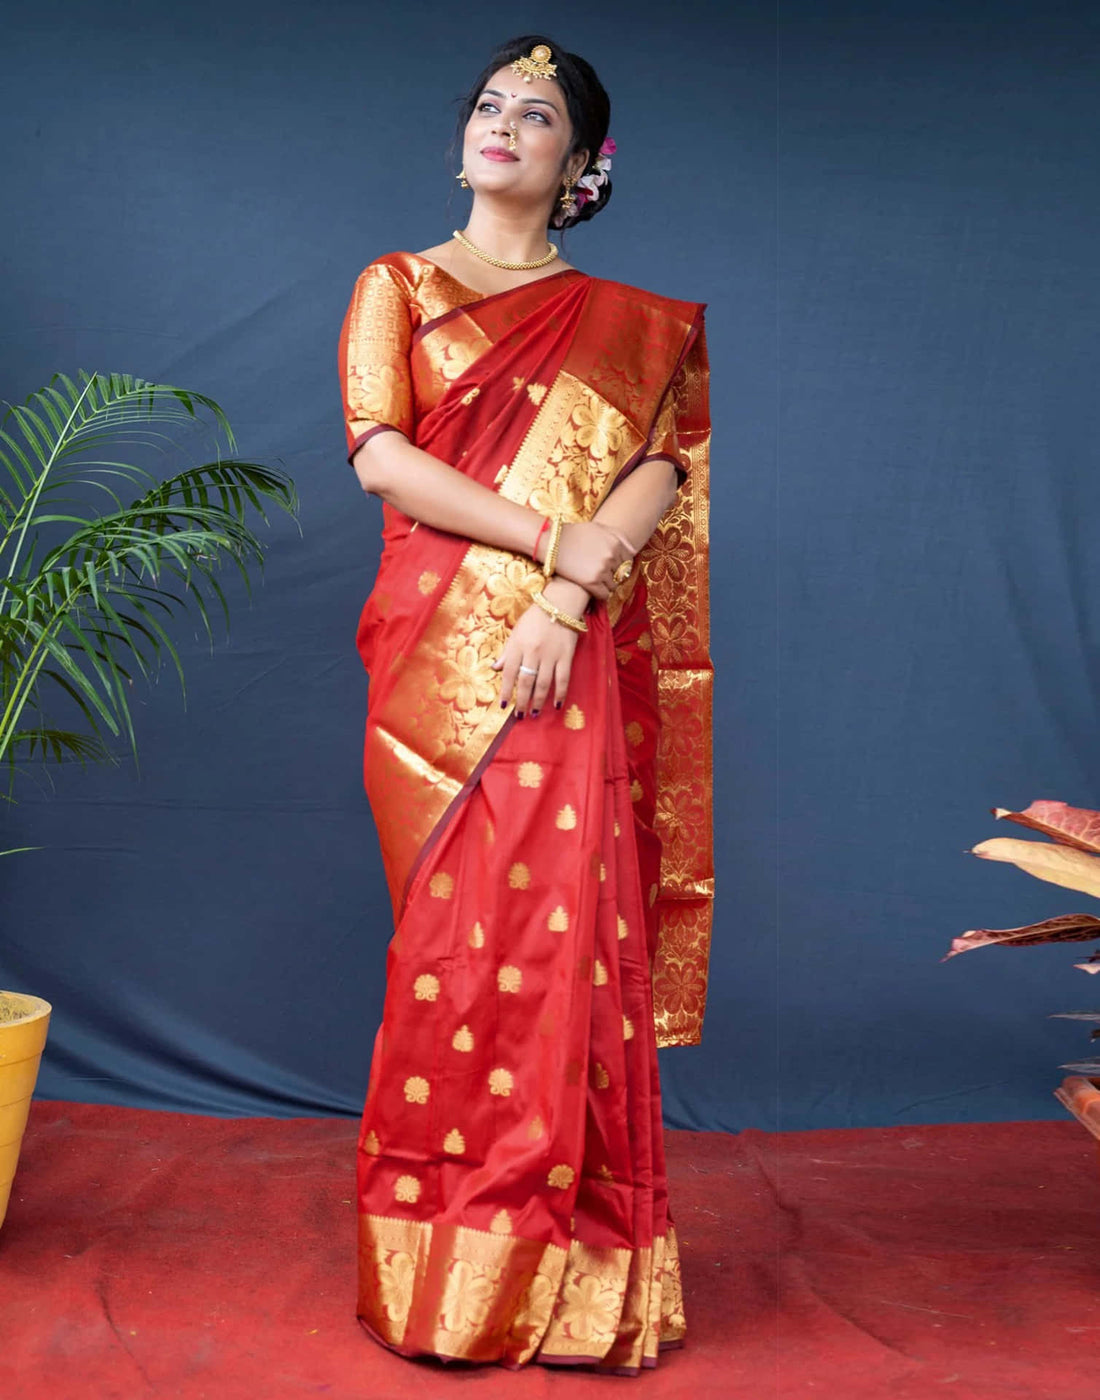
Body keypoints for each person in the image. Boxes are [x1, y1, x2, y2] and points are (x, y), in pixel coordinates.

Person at [337, 33, 714, 1376]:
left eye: (536, 113)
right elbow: (384, 457)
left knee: (566, 954)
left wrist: (564, 603)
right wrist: (552, 552)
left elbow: (658, 475)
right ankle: (451, 1277)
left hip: (567, 662)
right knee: (453, 954)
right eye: (490, 104)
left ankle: (580, 1283)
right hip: (440, 666)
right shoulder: (397, 284)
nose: (504, 123)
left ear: (579, 162)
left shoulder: (636, 325)